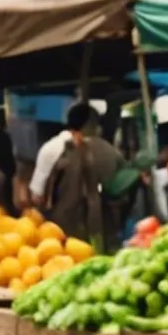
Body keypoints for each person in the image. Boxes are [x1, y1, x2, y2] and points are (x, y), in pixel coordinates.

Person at [30, 104, 122, 250]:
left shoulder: (50, 148)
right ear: (90, 124)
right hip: (97, 229)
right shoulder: (108, 150)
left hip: (57, 234)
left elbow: (37, 197)